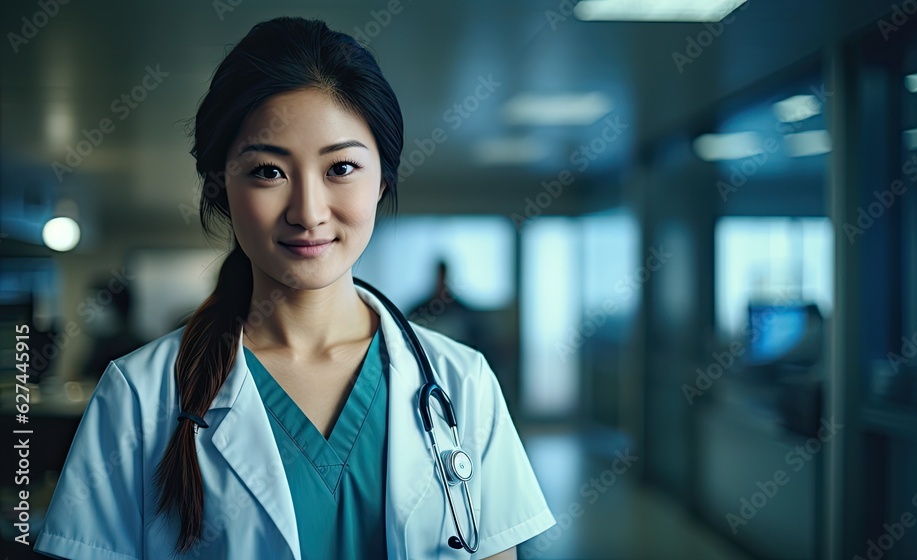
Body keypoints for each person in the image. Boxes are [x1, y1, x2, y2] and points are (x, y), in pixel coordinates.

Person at [34, 16, 554, 560]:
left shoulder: (462, 384)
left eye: (342, 167)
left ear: (383, 180)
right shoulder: (140, 398)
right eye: (268, 171)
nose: (308, 212)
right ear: (220, 185)